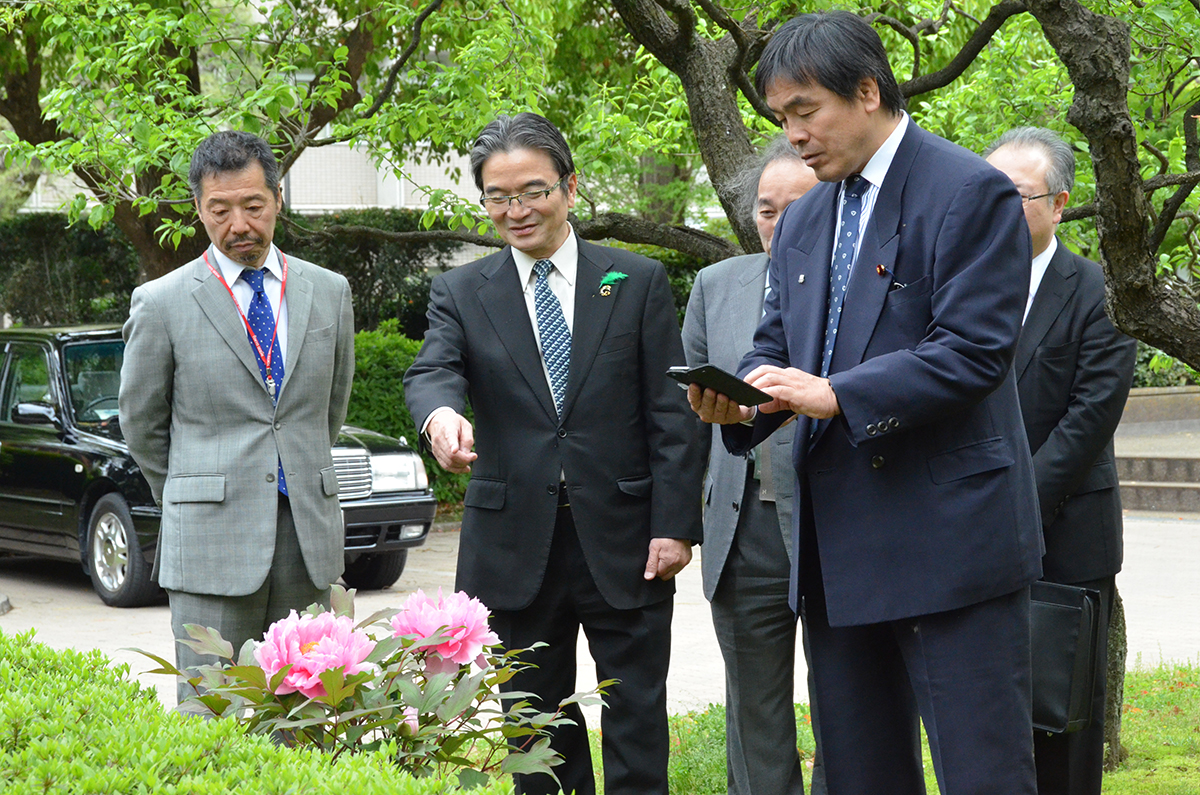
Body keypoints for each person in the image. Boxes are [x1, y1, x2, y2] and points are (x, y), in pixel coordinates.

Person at [690, 11, 1045, 794]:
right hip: (836, 549)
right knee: (860, 775)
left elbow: (974, 352)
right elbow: (774, 344)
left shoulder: (969, 191)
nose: (794, 135)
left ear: (867, 89)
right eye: (781, 118)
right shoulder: (808, 215)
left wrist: (836, 394)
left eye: (805, 111)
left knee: (982, 771)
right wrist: (749, 400)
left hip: (952, 544)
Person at [403, 112, 703, 795]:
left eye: (532, 190)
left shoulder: (635, 280)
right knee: (534, 729)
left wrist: (676, 523)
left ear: (569, 186)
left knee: (635, 716)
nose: (516, 210)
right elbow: (432, 371)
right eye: (498, 197)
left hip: (627, 540)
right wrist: (442, 417)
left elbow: (670, 412)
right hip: (514, 544)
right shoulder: (462, 291)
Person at [119, 130, 355, 708]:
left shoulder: (330, 293)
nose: (239, 224)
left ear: (278, 198)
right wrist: (192, 491)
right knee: (215, 709)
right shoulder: (163, 301)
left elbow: (330, 408)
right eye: (219, 210)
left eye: (253, 205)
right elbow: (141, 423)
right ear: (199, 210)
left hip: (308, 534)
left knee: (310, 712)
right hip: (209, 543)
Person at [985, 127, 1137, 795]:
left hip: (1066, 532)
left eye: (1014, 196)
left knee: (1064, 717)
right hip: (972, 536)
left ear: (1059, 202)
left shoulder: (1100, 293)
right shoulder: (963, 289)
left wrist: (1012, 508)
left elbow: (1087, 420)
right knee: (990, 718)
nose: (997, 210)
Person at [682, 135, 825, 795]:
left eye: (798, 207)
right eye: (768, 210)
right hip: (745, 532)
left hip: (836, 524)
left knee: (847, 703)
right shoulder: (716, 285)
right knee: (755, 711)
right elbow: (688, 420)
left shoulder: (865, 285)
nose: (779, 224)